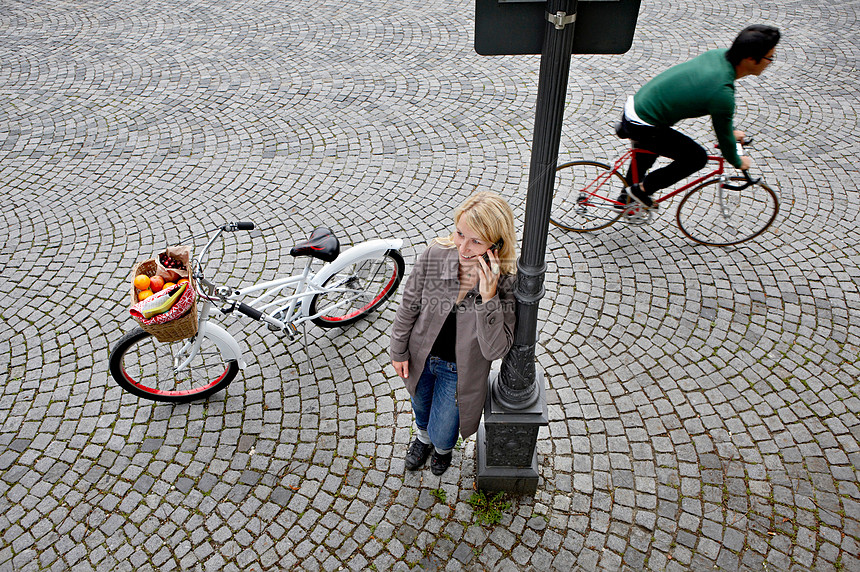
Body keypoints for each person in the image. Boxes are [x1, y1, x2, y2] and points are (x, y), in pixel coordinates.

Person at [390, 191, 517, 476]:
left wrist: (489, 297)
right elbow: (409, 304)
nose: (463, 247)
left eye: (476, 241)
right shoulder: (436, 254)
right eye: (460, 234)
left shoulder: (506, 281)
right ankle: (422, 440)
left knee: (445, 427)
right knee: (420, 407)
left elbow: (495, 350)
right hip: (421, 357)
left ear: (496, 244)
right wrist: (398, 349)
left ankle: (442, 450)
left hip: (459, 371)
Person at [615, 24, 781, 209]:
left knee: (648, 152)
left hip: (637, 106)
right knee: (696, 158)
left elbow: (723, 123)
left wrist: (730, 132)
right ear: (750, 58)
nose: (770, 62)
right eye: (770, 58)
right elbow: (724, 138)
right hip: (644, 123)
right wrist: (737, 160)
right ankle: (640, 191)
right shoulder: (722, 94)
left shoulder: (717, 56)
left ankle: (626, 198)